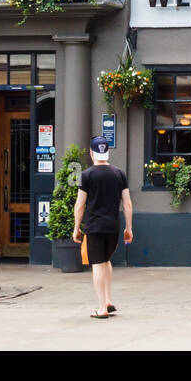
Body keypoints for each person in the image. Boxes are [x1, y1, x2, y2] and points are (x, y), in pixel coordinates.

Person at [72, 136, 132, 319]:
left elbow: (80, 205)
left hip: (94, 226)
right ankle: (108, 300)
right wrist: (129, 227)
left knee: (97, 264)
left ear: (91, 152)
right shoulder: (119, 174)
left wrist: (76, 228)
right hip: (113, 225)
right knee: (106, 261)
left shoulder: (87, 175)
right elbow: (127, 203)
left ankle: (101, 308)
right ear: (107, 152)